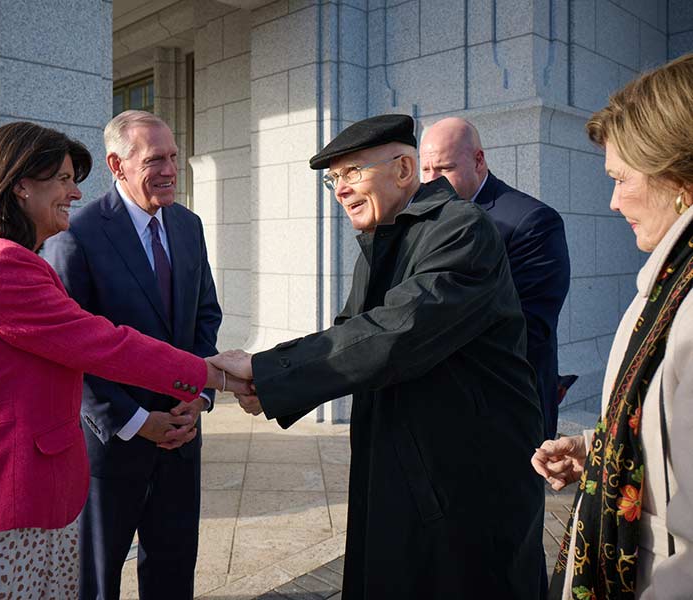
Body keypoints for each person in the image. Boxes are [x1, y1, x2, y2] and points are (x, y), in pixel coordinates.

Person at [209, 114, 545, 599]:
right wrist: (269, 381)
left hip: (463, 484)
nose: (341, 190)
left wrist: (267, 372)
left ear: (405, 169)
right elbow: (352, 332)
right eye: (333, 180)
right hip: (408, 470)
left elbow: (396, 333)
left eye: (352, 173)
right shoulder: (386, 237)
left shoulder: (462, 230)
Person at [0, 121, 243, 599]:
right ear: (21, 185)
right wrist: (216, 376)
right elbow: (101, 344)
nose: (75, 191)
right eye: (64, 179)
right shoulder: (6, 265)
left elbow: (198, 315)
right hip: (7, 497)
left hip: (21, 493)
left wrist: (197, 397)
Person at [532, 53, 693, 600]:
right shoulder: (672, 280)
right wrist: (597, 450)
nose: (612, 200)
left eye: (622, 179)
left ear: (677, 175)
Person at [41, 111, 220, 600]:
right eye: (155, 159)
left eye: (174, 157)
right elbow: (67, 352)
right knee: (97, 581)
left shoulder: (188, 225)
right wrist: (138, 420)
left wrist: (198, 398)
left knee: (174, 569)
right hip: (111, 445)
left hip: (182, 436)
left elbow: (206, 318)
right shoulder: (74, 237)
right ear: (117, 164)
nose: (169, 169)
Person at [420, 117, 570, 441]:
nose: (431, 182)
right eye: (425, 169)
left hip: (507, 409)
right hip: (443, 408)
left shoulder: (532, 222)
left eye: (443, 169)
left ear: (479, 160)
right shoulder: (425, 218)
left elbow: (531, 327)